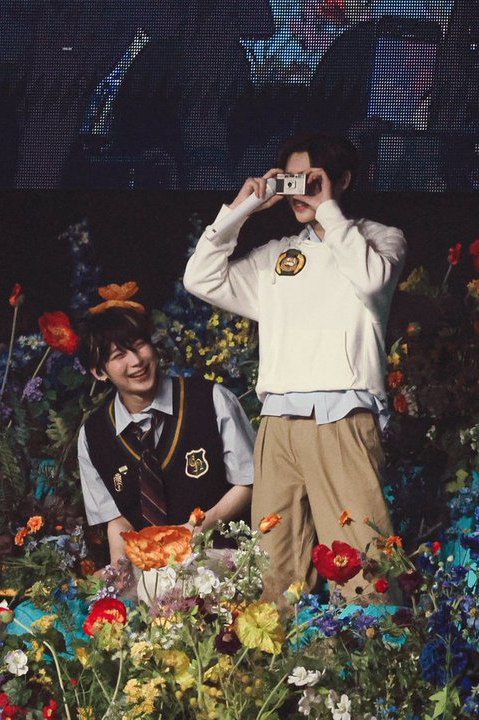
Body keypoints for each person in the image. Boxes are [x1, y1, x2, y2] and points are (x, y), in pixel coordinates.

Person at [183, 132, 407, 602]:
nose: (298, 191)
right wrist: (242, 208)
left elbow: (371, 283)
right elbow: (199, 278)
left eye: (310, 179)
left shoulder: (378, 239)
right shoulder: (277, 254)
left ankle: (377, 647)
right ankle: (275, 649)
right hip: (278, 422)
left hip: (342, 417)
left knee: (364, 563)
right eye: (291, 180)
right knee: (274, 564)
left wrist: (328, 211)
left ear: (341, 180)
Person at [77, 296, 254, 567]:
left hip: (224, 559)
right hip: (152, 570)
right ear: (99, 372)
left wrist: (195, 531)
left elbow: (249, 483)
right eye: (119, 355)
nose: (136, 361)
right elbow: (117, 520)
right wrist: (120, 573)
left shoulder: (211, 399)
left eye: (139, 345)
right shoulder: (93, 435)